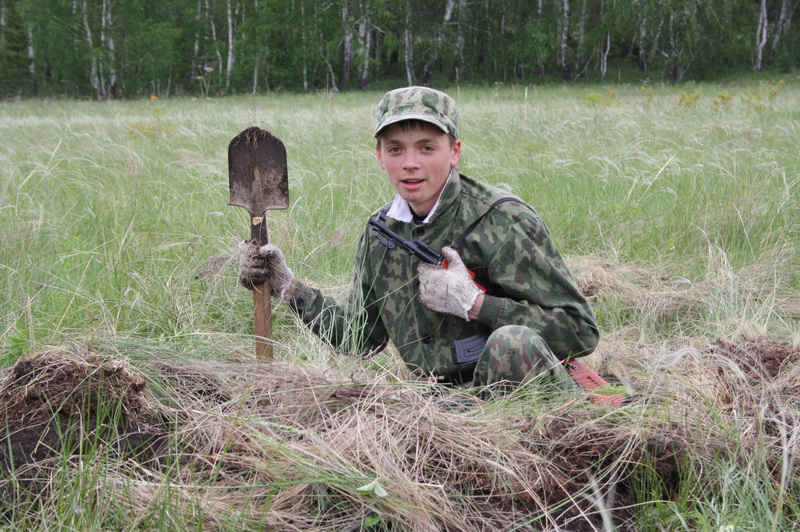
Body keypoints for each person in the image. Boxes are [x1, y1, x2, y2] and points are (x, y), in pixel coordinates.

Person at [238, 86, 599, 391]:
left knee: (512, 342)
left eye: (426, 147)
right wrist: (287, 286)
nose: (410, 163)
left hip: (523, 402)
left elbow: (580, 331)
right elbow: (362, 338)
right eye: (396, 149)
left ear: (453, 152)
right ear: (380, 156)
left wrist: (477, 305)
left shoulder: (503, 221)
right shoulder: (380, 233)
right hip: (437, 406)